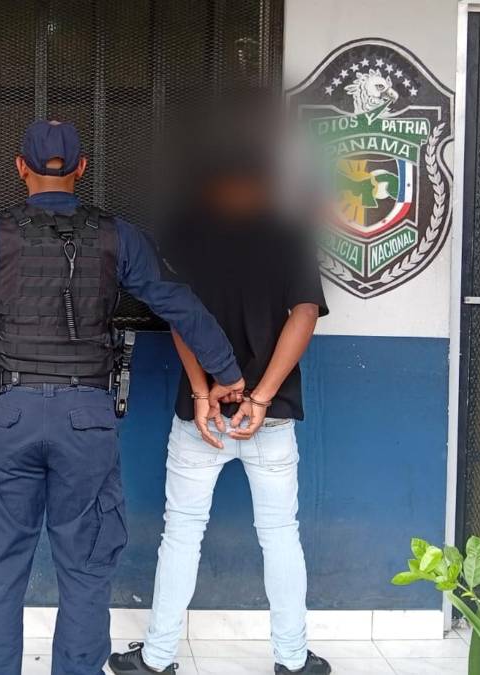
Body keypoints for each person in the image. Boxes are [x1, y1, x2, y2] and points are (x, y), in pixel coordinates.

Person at [0, 119, 245, 675]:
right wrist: (225, 370)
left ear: (20, 167)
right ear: (81, 168)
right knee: (86, 569)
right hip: (88, 420)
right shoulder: (117, 236)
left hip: (9, 417)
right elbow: (176, 301)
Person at [108, 151, 332, 674]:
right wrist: (262, 396)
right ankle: (293, 660)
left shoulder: (191, 234)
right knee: (281, 535)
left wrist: (203, 391)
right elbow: (304, 314)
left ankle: (158, 659)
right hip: (270, 415)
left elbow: (180, 316)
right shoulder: (288, 233)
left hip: (201, 416)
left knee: (181, 534)